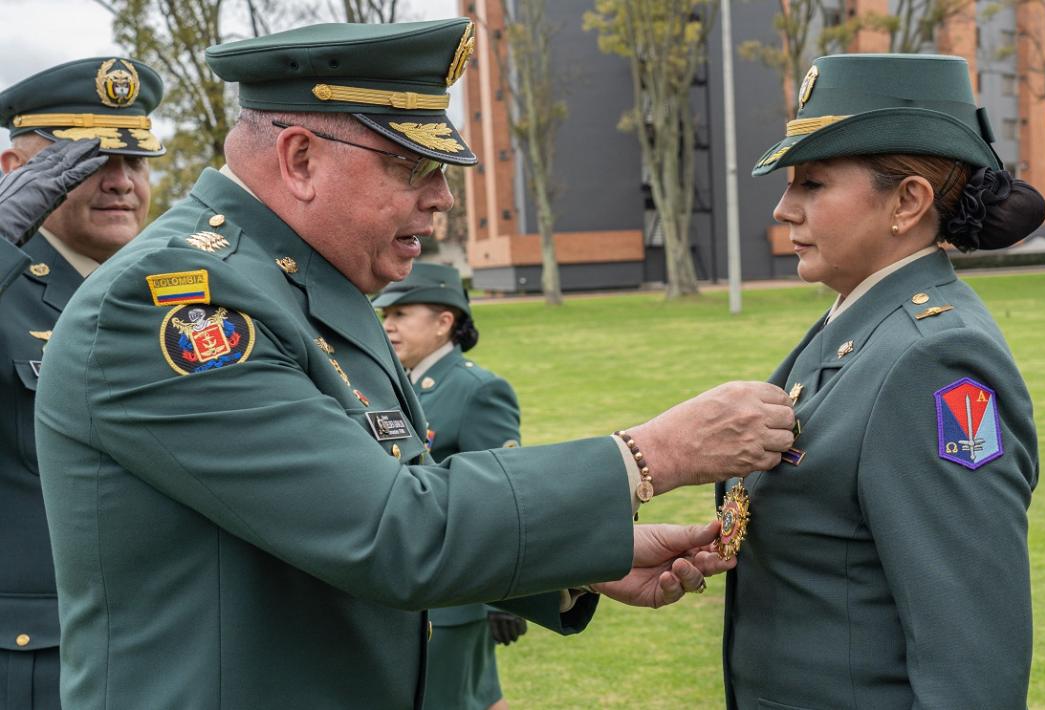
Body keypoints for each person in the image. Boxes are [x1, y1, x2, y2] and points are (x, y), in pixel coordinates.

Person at [34, 20, 796, 709]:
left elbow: (387, 494)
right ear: (300, 158)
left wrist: (573, 560)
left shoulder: (296, 280)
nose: (443, 202)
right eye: (412, 168)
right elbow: (391, 530)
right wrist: (650, 454)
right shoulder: (177, 306)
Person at [719, 53, 1044, 709]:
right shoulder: (861, 325)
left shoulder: (934, 363)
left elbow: (970, 658)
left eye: (811, 184)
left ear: (908, 201)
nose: (784, 209)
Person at [0, 57, 164, 710]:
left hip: (157, 647)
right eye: (89, 162)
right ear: (16, 173)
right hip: (37, 665)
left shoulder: (162, 293)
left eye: (136, 162)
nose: (120, 182)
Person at [376, 261, 523, 710]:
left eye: (401, 314)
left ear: (444, 323)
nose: (388, 326)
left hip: (453, 603)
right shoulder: (397, 385)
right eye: (385, 316)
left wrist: (509, 599)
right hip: (407, 591)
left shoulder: (478, 390)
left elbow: (504, 494)